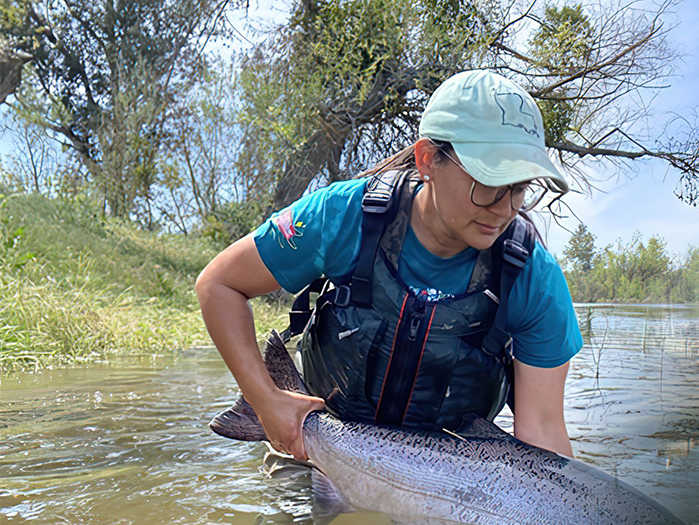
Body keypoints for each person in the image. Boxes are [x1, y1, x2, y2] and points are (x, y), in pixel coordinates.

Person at [196, 70, 583, 461]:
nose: (503, 210)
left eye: (520, 188)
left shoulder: (534, 278)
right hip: (310, 450)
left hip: (442, 485)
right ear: (428, 159)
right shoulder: (342, 216)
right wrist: (266, 401)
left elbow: (543, 431)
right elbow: (218, 284)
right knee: (288, 522)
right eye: (487, 183)